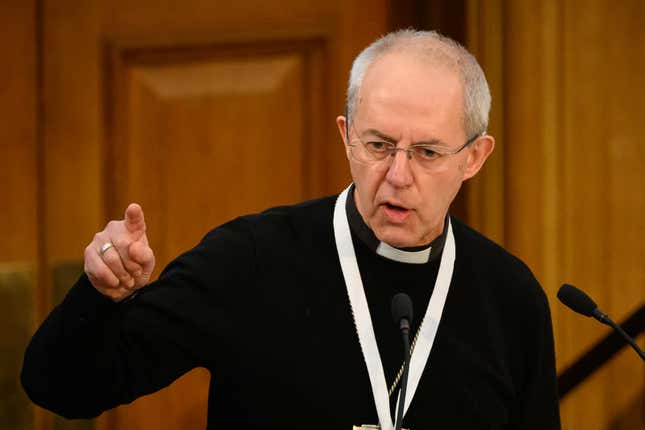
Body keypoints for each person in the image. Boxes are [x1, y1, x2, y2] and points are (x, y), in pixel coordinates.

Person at [21, 29, 561, 429]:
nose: (397, 176)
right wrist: (99, 296)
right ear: (346, 135)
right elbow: (60, 386)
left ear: (474, 157)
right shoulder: (251, 260)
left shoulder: (509, 297)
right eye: (377, 145)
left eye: (426, 152)